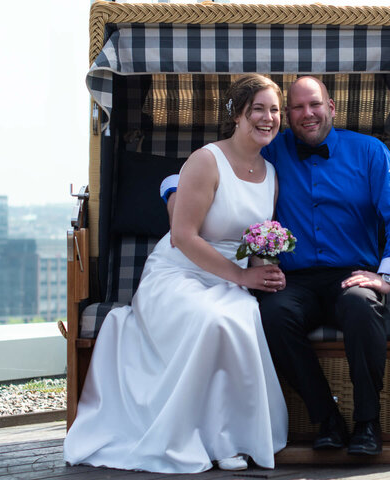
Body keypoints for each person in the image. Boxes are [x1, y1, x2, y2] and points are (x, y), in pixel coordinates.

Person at [163, 76, 390, 456]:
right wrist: (173, 195)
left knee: (360, 306)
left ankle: (368, 423)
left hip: (352, 275)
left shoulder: (371, 152)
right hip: (293, 278)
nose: (306, 114)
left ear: (331, 107)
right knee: (273, 313)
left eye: (314, 105)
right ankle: (326, 419)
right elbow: (199, 173)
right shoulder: (270, 147)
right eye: (296, 108)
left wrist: (385, 276)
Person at [64, 74, 288, 474]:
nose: (268, 118)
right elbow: (183, 237)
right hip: (178, 272)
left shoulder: (270, 175)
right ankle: (193, 438)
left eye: (274, 110)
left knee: (240, 318)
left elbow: (251, 244)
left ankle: (229, 437)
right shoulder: (206, 160)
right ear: (237, 113)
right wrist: (243, 279)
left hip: (229, 278)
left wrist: (264, 269)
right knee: (211, 320)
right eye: (258, 109)